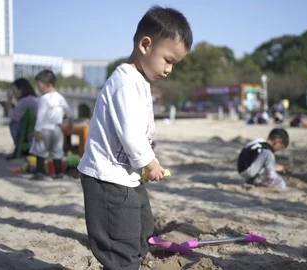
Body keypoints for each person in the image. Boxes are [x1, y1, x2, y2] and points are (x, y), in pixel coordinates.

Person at [76, 6, 193, 270]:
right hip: (106, 177)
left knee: (143, 229)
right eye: (168, 60)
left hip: (125, 175)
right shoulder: (125, 82)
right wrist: (148, 163)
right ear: (145, 44)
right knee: (121, 241)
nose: (169, 70)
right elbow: (130, 132)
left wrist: (148, 159)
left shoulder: (139, 80)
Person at [29, 69, 74, 180]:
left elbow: (41, 115)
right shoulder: (60, 97)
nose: (38, 88)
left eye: (39, 85)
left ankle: (40, 172)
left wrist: (37, 130)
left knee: (40, 151)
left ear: (48, 85)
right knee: (57, 152)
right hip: (57, 129)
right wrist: (70, 125)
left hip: (44, 129)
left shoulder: (43, 99)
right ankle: (59, 173)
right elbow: (70, 113)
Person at [5, 78, 39, 160]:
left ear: (21, 90)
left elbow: (13, 117)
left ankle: (18, 148)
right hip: (39, 132)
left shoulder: (24, 101)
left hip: (32, 136)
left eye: (14, 90)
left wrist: (9, 101)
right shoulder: (35, 99)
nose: (13, 93)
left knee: (13, 124)